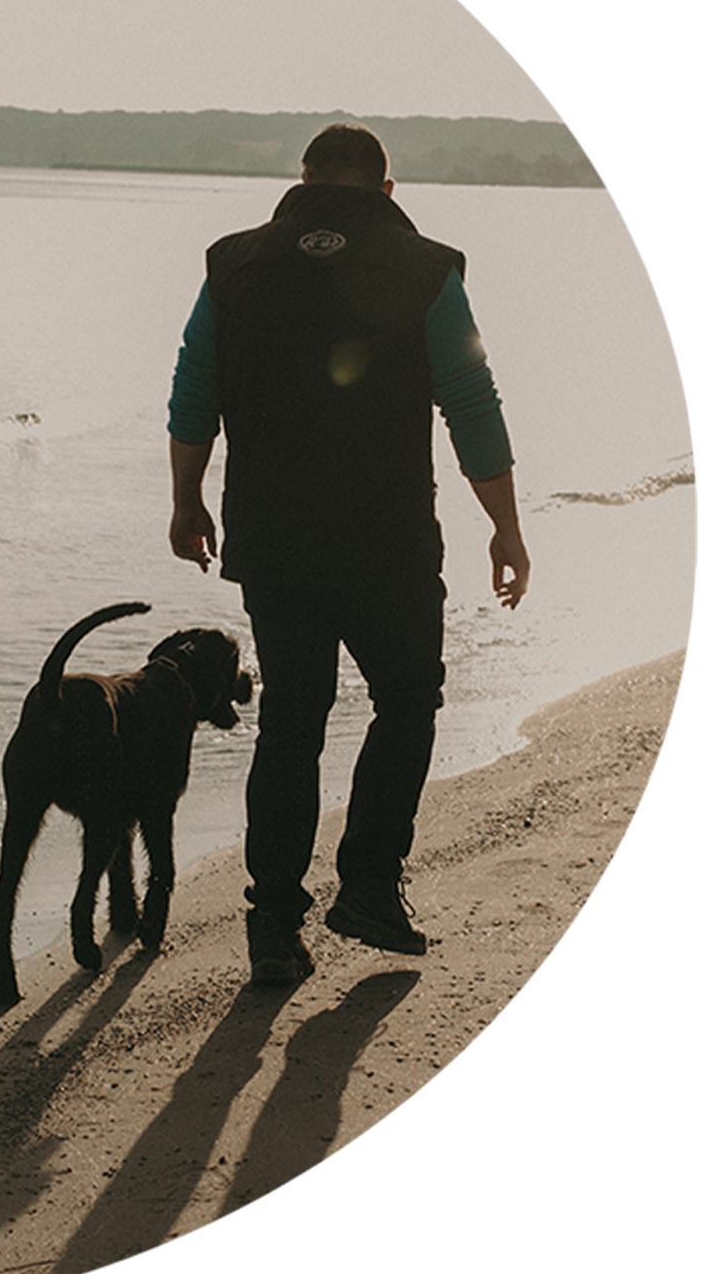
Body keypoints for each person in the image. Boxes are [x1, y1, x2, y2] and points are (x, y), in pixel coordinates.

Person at [167, 123, 530, 986]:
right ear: (385, 191)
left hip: (272, 536)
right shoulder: (427, 268)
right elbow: (470, 400)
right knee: (406, 700)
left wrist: (186, 500)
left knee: (292, 718)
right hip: (387, 536)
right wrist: (505, 526)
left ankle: (273, 925)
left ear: (303, 180)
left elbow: (193, 387)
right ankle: (367, 885)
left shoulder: (233, 264)